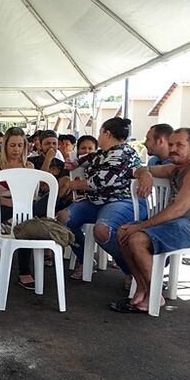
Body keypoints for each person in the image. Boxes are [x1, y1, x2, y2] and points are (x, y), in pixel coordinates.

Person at [113, 128, 190, 313]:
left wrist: (140, 226)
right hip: (179, 224)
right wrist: (145, 174)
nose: (173, 149)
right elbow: (141, 169)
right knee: (123, 232)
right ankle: (142, 287)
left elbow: (178, 209)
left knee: (137, 238)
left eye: (180, 145)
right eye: (171, 144)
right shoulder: (175, 168)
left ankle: (155, 296)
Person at [57, 117, 146, 282]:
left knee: (103, 231)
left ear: (107, 133)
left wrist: (72, 185)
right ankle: (85, 259)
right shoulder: (103, 153)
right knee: (64, 218)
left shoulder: (122, 153)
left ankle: (132, 270)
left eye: (100, 132)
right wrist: (76, 163)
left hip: (120, 201)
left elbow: (99, 182)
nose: (98, 136)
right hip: (96, 202)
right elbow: (88, 158)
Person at [0, 128, 36, 289]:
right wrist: (13, 204)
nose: (16, 149)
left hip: (25, 209)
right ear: (5, 146)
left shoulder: (29, 166)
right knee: (26, 222)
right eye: (12, 145)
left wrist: (22, 205)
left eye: (20, 145)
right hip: (1, 208)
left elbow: (32, 195)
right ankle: (24, 272)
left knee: (27, 217)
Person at [28, 130, 72, 216]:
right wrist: (47, 160)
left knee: (67, 180)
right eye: (47, 144)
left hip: (54, 202)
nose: (51, 146)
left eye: (54, 144)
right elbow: (40, 183)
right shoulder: (31, 162)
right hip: (35, 200)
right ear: (40, 146)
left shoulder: (61, 164)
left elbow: (64, 186)